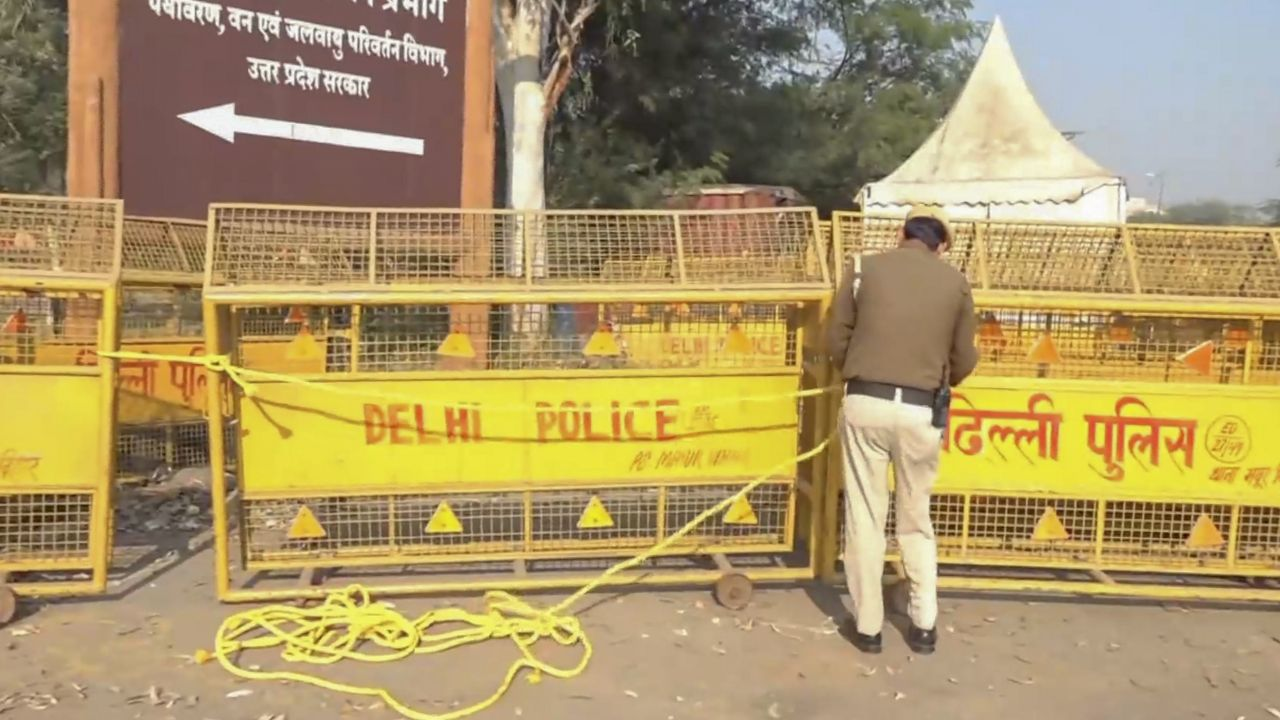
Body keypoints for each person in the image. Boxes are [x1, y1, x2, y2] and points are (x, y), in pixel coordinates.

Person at [827, 205, 979, 655]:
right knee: (915, 518)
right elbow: (964, 357)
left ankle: (869, 628)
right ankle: (924, 625)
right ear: (942, 245)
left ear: (900, 234)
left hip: (864, 401)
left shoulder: (861, 268)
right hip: (919, 411)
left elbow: (835, 336)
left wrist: (857, 370)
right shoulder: (956, 283)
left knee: (865, 516)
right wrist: (935, 377)